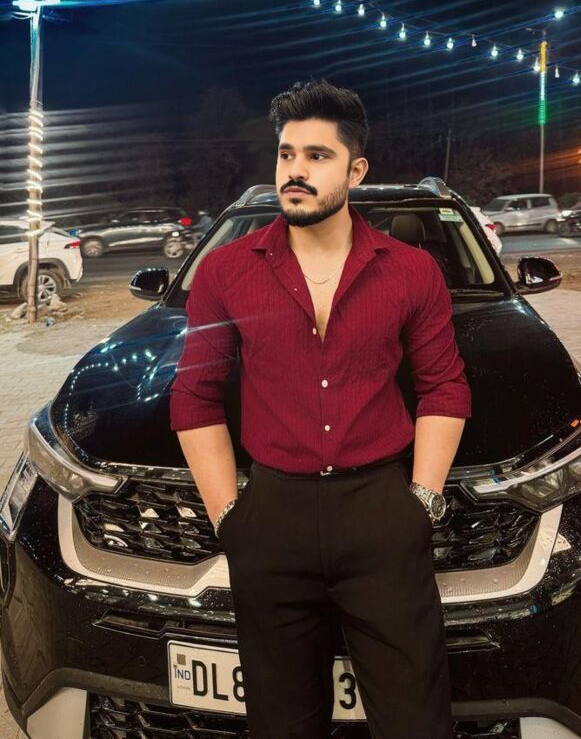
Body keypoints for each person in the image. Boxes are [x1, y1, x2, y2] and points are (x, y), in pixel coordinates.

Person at [170, 79, 472, 738]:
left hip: (381, 516)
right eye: (286, 154)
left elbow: (445, 386)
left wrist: (419, 503)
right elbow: (193, 395)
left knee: (417, 721)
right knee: (282, 724)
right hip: (272, 518)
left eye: (317, 155)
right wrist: (230, 518)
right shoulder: (225, 272)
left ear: (355, 170)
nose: (295, 170)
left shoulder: (411, 271)